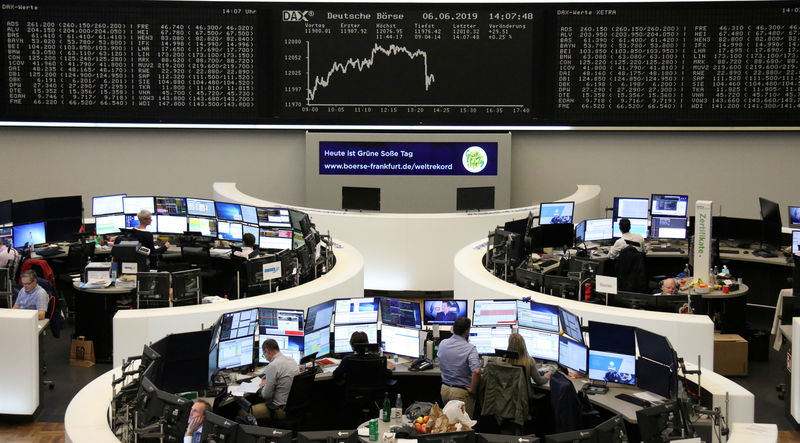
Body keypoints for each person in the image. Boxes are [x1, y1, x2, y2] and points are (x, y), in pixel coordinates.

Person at [437, 317, 481, 417]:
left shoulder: (443, 343)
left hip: (445, 390)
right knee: (463, 427)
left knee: (450, 424)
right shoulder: (470, 348)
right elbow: (477, 371)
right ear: (467, 331)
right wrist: (473, 390)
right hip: (460, 393)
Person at [252, 338, 300, 421]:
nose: (266, 358)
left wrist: (263, 385)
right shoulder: (292, 360)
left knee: (243, 412)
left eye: (264, 355)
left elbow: (266, 396)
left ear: (267, 351)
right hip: (295, 407)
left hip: (279, 409)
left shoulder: (273, 366)